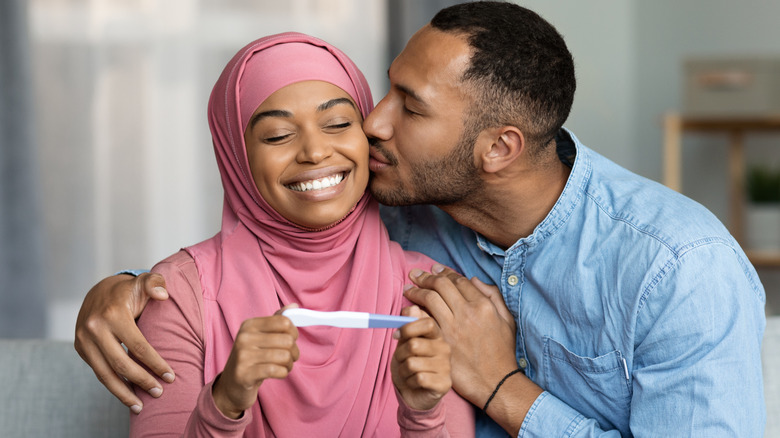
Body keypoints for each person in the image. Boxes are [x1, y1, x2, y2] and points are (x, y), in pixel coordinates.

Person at [76, 1, 766, 437]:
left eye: (409, 106)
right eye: (385, 89)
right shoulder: (402, 210)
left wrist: (502, 390)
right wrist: (129, 286)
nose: (370, 124)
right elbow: (268, 246)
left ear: (498, 149)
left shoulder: (679, 269)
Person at [119, 31, 475, 436]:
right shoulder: (180, 295)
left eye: (339, 123)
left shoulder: (429, 292)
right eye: (277, 136)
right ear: (236, 155)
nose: (315, 151)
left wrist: (423, 415)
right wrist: (226, 401)